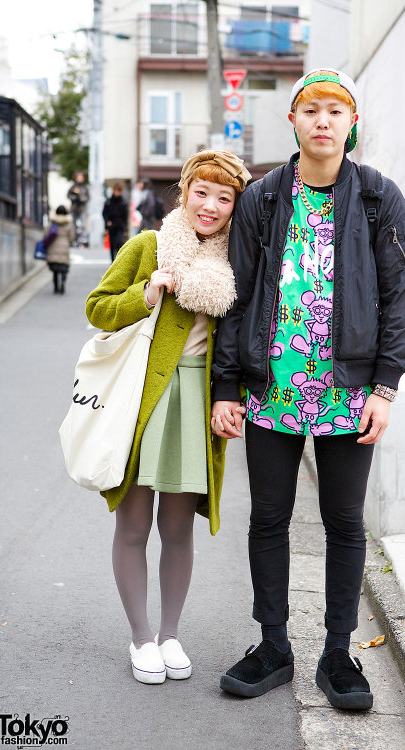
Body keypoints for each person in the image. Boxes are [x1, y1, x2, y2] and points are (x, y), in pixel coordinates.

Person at [211, 68, 405, 709]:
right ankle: (273, 645)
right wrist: (226, 383)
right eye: (312, 109)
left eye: (336, 109)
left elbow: (402, 294)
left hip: (348, 388)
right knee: (269, 518)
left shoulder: (380, 198)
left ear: (351, 122)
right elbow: (235, 291)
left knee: (344, 521)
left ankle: (338, 654)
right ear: (294, 121)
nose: (324, 120)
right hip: (270, 385)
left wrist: (385, 385)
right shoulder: (264, 198)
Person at [86, 150, 251, 685]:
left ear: (234, 206)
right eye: (201, 192)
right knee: (133, 524)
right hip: (143, 399)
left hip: (195, 401)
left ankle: (170, 634)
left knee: (177, 528)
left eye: (224, 197)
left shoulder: (235, 261)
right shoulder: (149, 246)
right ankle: (140, 638)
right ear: (184, 191)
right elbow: (97, 306)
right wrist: (145, 292)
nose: (211, 205)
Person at [46, 205, 75, 294]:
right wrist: (69, 243)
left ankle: (56, 287)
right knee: (63, 268)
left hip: (53, 246)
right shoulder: (69, 223)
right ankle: (62, 283)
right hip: (64, 246)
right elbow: (72, 236)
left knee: (55, 269)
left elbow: (45, 233)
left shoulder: (52, 222)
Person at [102, 182, 128, 262]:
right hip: (111, 225)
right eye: (116, 191)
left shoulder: (123, 202)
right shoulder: (109, 201)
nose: (117, 193)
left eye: (119, 191)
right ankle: (113, 261)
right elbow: (104, 213)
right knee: (112, 244)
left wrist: (124, 225)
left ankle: (119, 260)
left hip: (120, 225)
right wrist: (107, 222)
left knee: (120, 242)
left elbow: (125, 215)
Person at [67, 171, 90, 244]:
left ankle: (83, 239)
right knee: (73, 225)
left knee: (83, 224)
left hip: (82, 208)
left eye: (81, 177)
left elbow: (88, 197)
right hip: (74, 208)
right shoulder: (73, 187)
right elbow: (68, 195)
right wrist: (74, 198)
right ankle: (74, 239)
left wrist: (81, 199)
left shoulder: (85, 187)